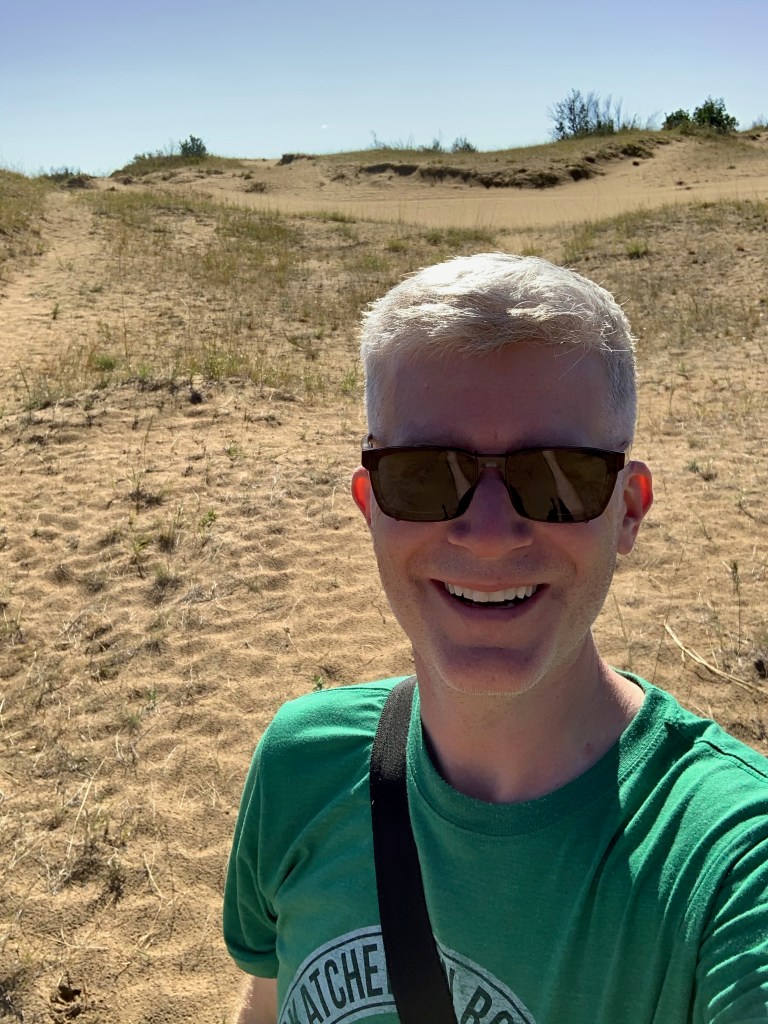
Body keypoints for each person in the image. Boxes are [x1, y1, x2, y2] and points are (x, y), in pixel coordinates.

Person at [223, 253, 768, 1024]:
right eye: (422, 475)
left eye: (557, 477)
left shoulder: (727, 861)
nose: (486, 534)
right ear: (370, 506)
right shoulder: (301, 764)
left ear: (630, 511)